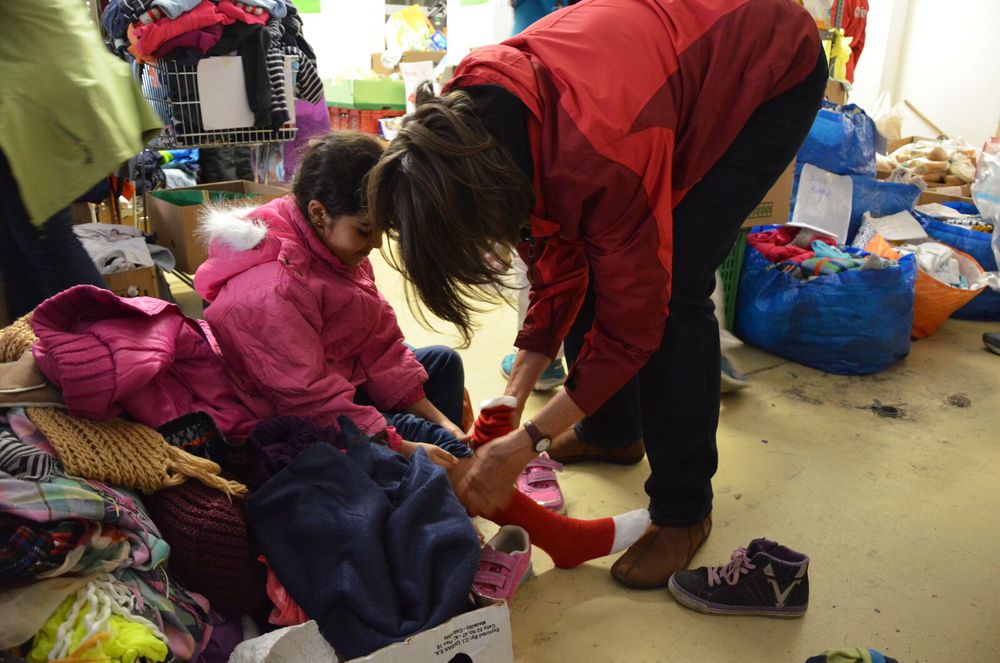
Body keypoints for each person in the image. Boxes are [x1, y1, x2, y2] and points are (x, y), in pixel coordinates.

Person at [366, 0, 828, 588]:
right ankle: (613, 431)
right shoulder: (471, 125)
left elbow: (636, 324)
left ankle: (684, 510)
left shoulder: (599, 155)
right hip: (658, 69)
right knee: (590, 247)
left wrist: (528, 441)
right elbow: (556, 263)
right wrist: (514, 397)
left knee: (676, 287)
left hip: (767, 64)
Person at [194, 132, 651, 570]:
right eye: (366, 231)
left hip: (329, 380)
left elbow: (377, 344)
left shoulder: (326, 242)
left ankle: (463, 482)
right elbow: (310, 400)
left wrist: (442, 421)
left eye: (380, 232)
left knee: (441, 368)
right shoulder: (271, 290)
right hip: (278, 421)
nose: (375, 245)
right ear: (318, 213)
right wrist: (406, 443)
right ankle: (551, 534)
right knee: (425, 438)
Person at [0, 0, 162, 319]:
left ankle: (113, 341)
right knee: (16, 239)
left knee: (44, 235)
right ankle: (34, 340)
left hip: (37, 98)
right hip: (36, 90)